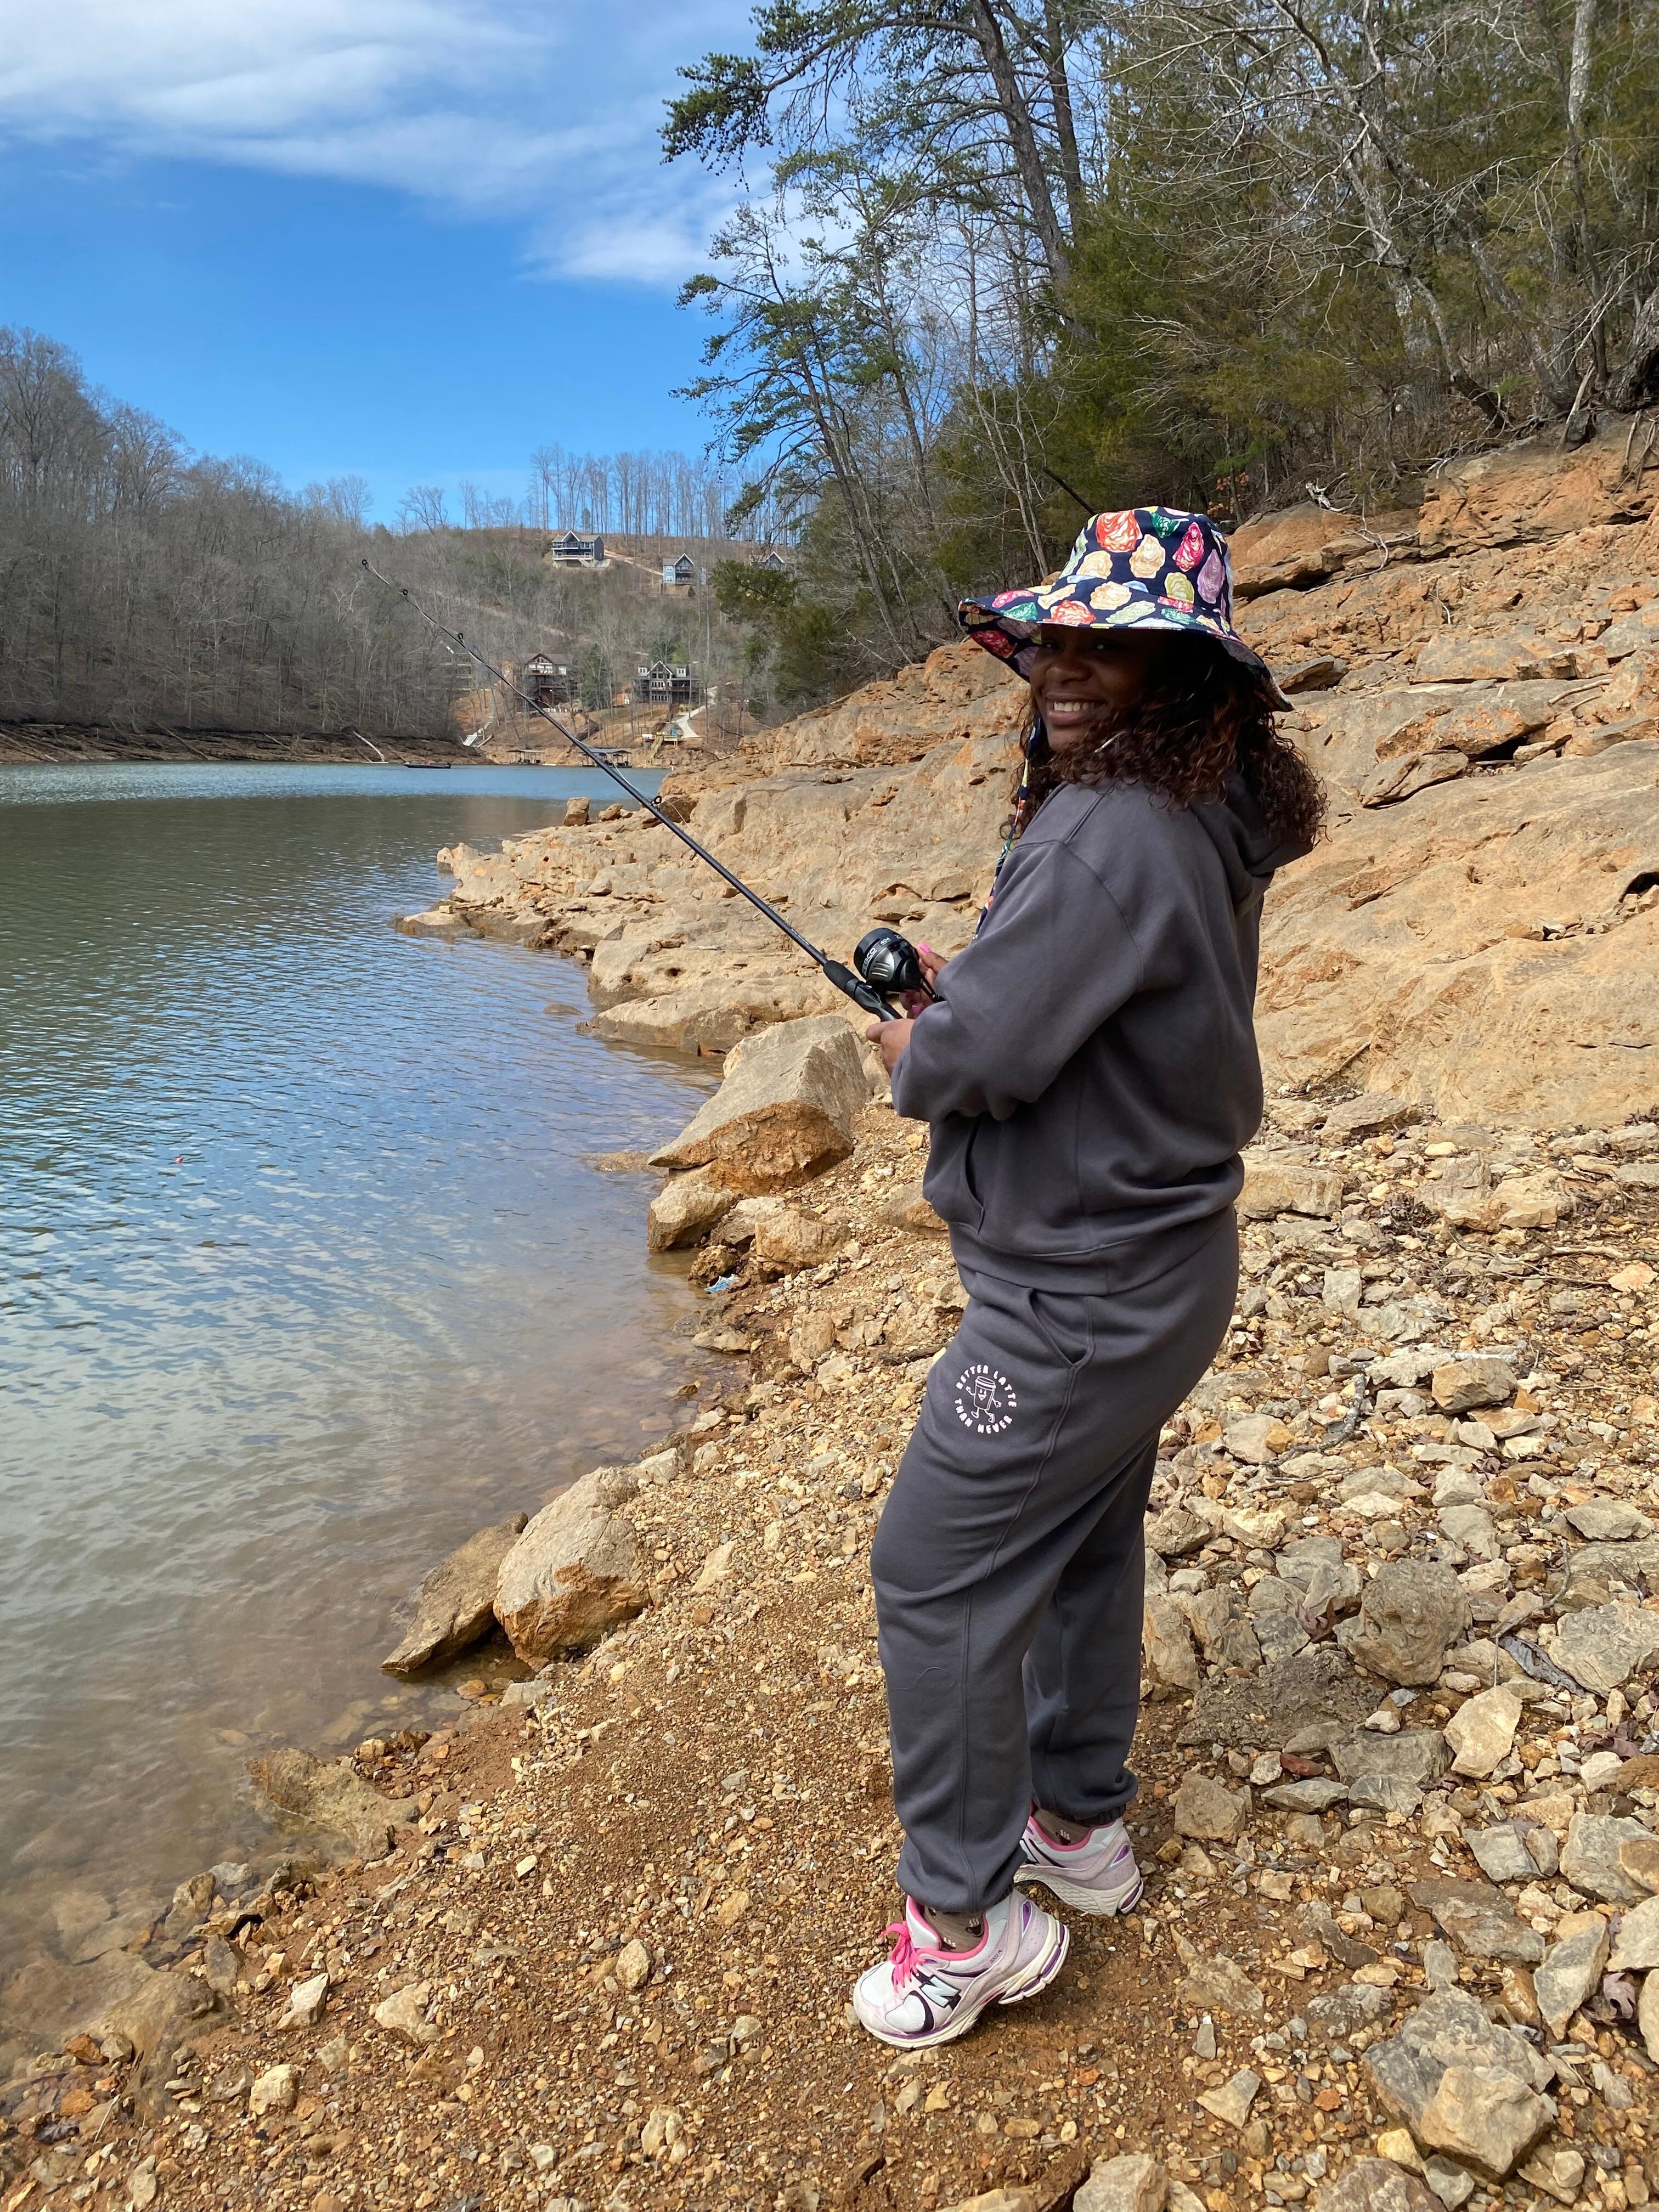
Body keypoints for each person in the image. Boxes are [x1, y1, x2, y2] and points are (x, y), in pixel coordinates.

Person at [850, 506, 1325, 2048]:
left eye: (1106, 645)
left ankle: (966, 1926)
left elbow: (973, 1061)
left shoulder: (1103, 827)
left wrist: (919, 1040)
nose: (1064, 667)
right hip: (1165, 1270)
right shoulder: (1198, 809)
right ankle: (1076, 1825)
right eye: (1056, 639)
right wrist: (978, 992)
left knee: (934, 1572)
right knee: (1082, 1546)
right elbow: (1079, 1000)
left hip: (1076, 1301)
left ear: (1184, 675)